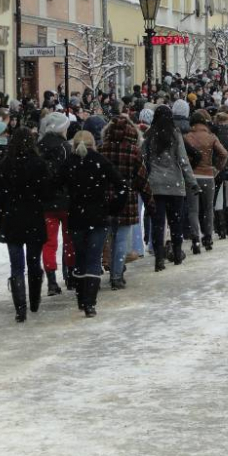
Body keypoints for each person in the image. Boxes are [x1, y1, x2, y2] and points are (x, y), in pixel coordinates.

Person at [63, 130, 129, 317]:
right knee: (94, 258)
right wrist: (112, 208)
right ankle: (90, 303)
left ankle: (81, 297)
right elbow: (122, 186)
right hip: (98, 217)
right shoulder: (100, 161)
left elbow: (53, 185)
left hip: (76, 217)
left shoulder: (70, 163)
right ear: (94, 144)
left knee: (80, 258)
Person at [0, 128, 52, 323]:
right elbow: (46, 193)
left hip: (12, 218)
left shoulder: (4, 165)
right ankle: (34, 300)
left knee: (16, 265)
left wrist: (1, 218)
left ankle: (20, 308)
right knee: (33, 261)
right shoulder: (39, 164)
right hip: (33, 216)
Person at [99, 116, 154, 289]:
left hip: (105, 200)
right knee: (122, 239)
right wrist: (150, 202)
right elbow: (142, 180)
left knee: (106, 237)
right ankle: (116, 275)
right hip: (126, 200)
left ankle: (108, 268)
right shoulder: (134, 151)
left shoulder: (101, 150)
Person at [143, 105, 200, 271]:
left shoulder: (149, 136)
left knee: (158, 224)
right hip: (175, 185)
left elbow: (144, 159)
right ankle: (176, 253)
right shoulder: (175, 135)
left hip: (155, 185)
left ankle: (159, 259)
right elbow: (183, 160)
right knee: (176, 222)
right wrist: (192, 182)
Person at [38, 112, 74, 294]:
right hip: (66, 201)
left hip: (46, 202)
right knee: (69, 240)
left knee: (49, 242)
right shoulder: (65, 147)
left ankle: (52, 280)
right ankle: (70, 275)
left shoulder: (39, 147)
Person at [184, 110, 228, 253]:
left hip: (192, 176)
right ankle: (208, 238)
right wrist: (216, 169)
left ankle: (196, 240)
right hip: (208, 176)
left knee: (193, 210)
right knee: (209, 209)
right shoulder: (211, 137)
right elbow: (224, 154)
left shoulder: (187, 137)